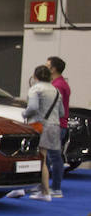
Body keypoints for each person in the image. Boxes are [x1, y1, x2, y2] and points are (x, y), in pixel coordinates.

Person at [23, 64, 64, 201]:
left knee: (34, 158)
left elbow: (33, 107)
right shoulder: (56, 90)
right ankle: (45, 190)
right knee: (46, 159)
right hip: (54, 126)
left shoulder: (35, 89)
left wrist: (24, 113)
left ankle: (38, 190)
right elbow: (62, 112)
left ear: (35, 76)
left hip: (39, 126)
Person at [47, 56, 70, 183]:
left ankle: (54, 186)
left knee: (51, 157)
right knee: (52, 157)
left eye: (47, 65)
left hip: (55, 125)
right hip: (58, 125)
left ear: (53, 69)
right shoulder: (58, 84)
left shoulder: (58, 86)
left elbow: (55, 108)